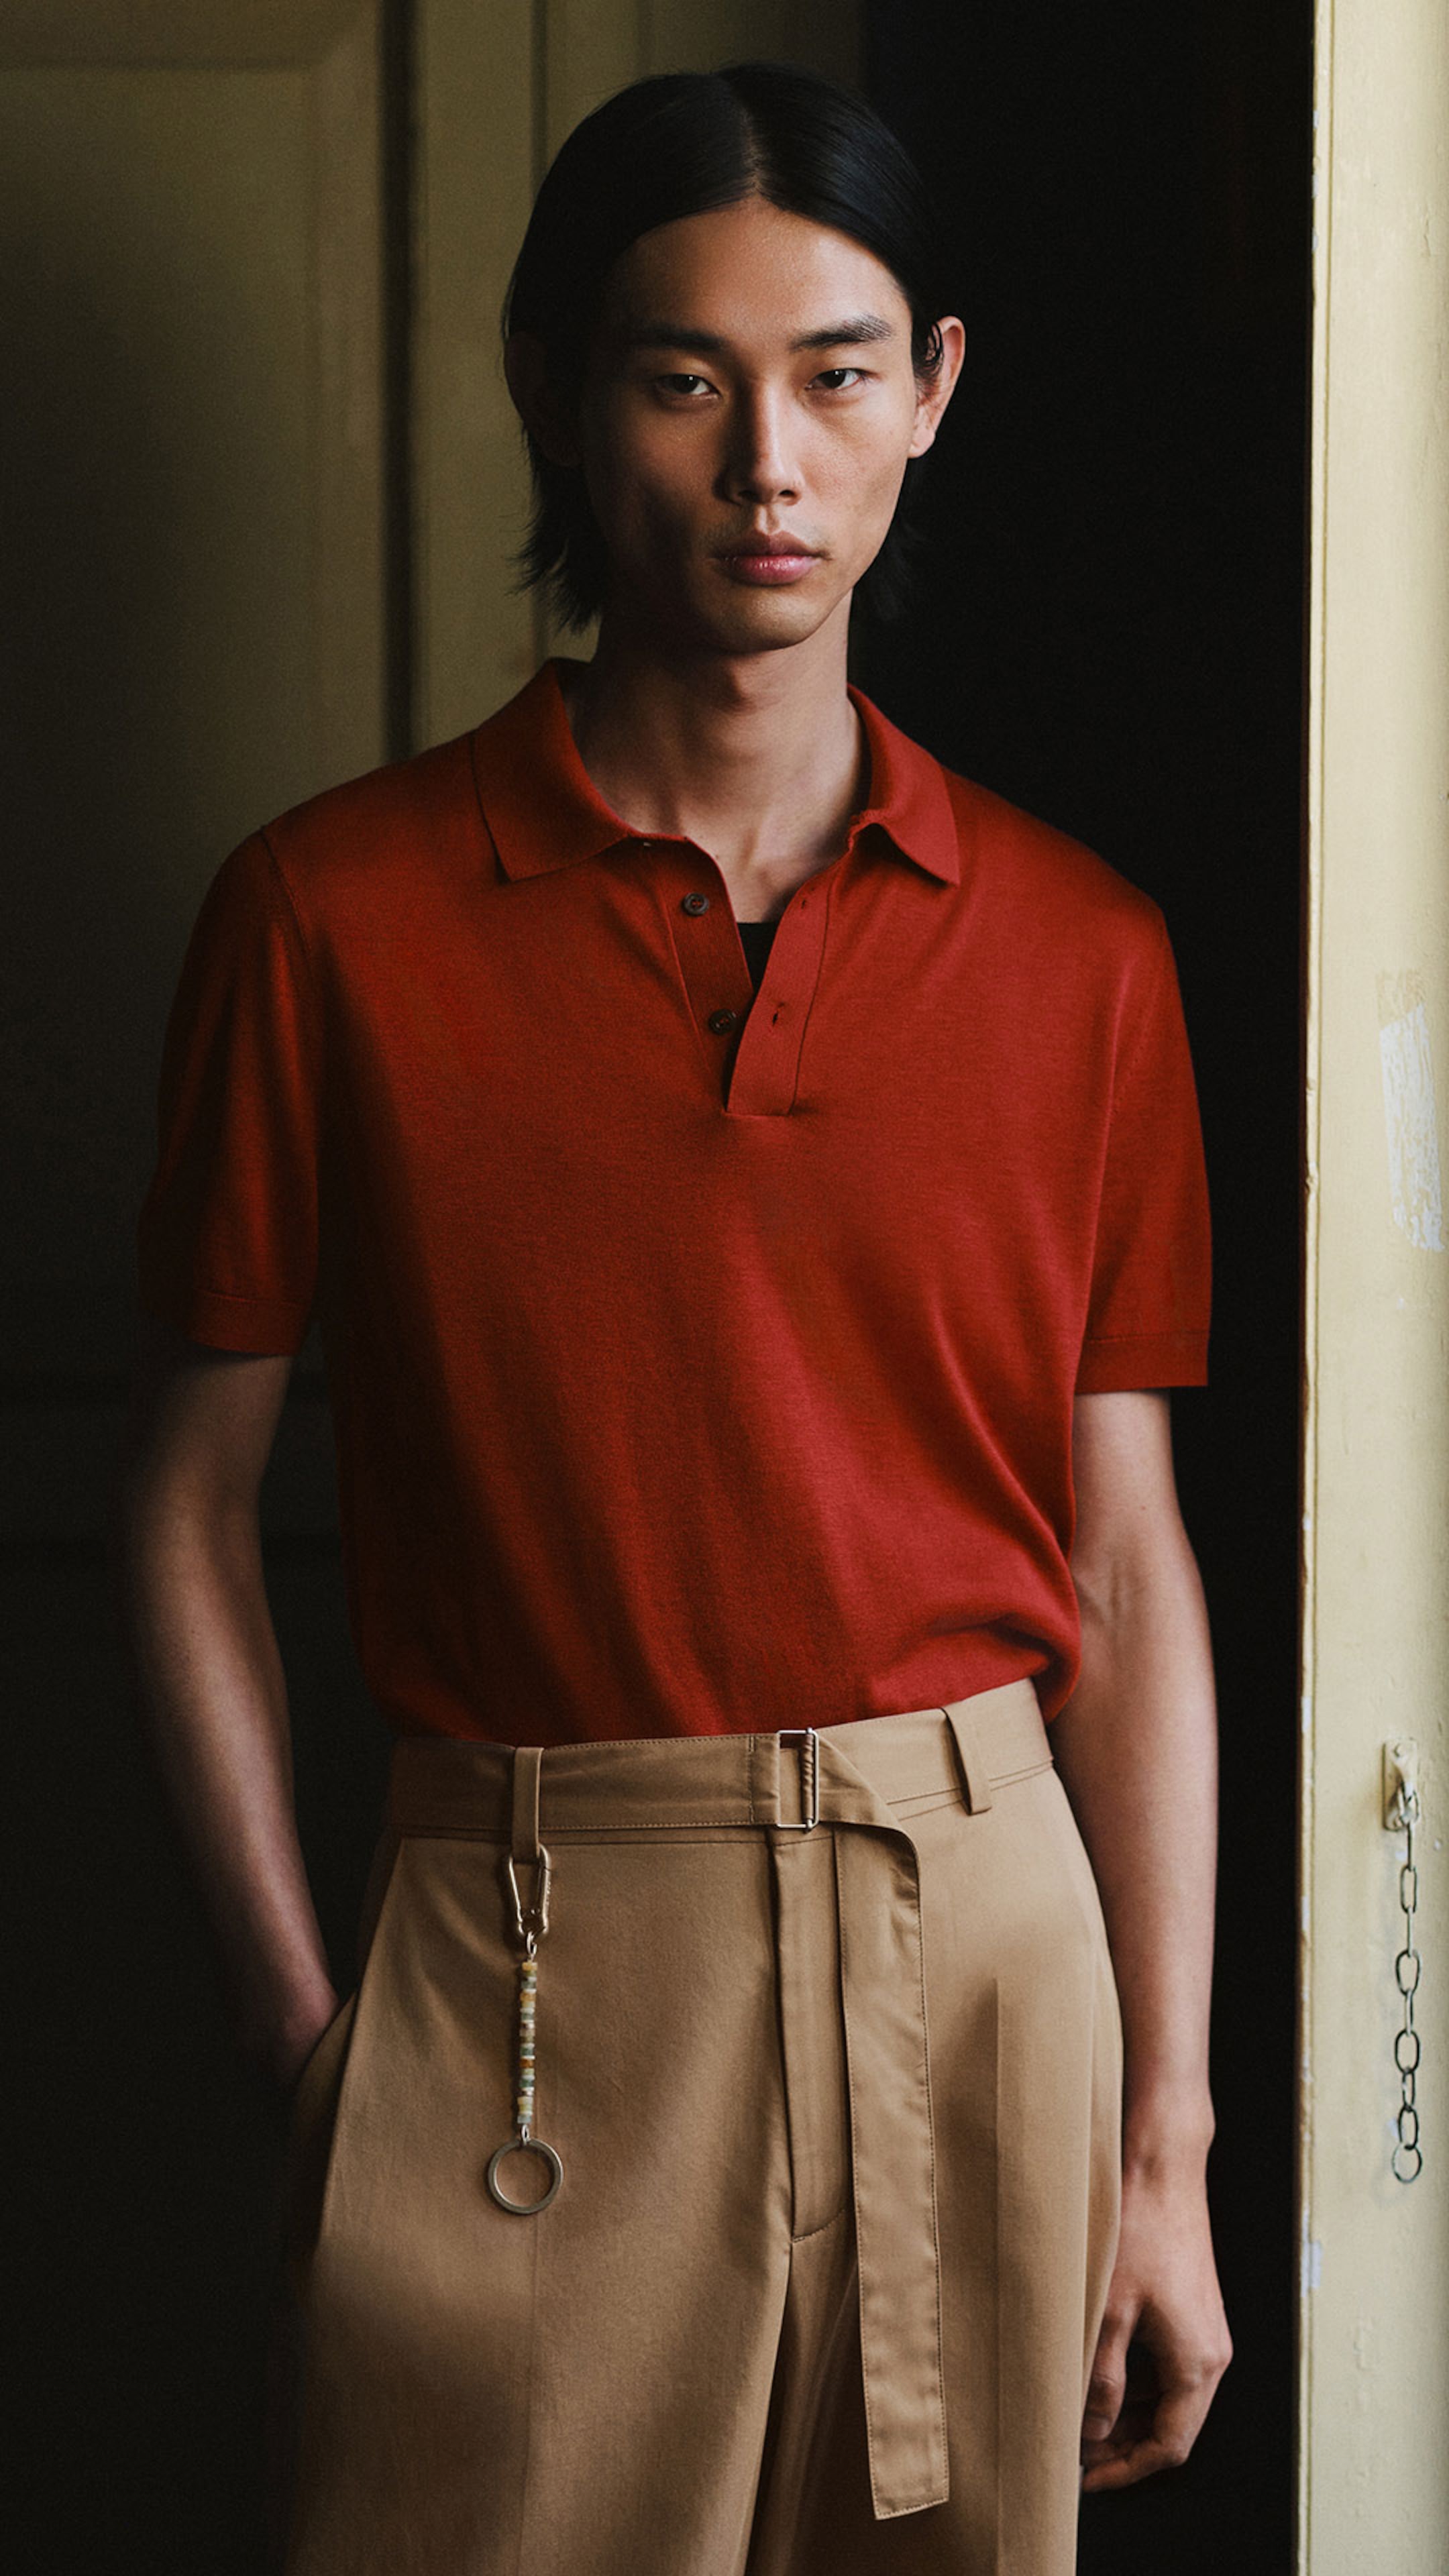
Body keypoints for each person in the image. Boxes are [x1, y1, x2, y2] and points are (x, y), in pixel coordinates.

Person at [119, 59, 1231, 2576]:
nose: (768, 467)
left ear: (933, 392)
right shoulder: (330, 920)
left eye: (837, 376)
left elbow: (1126, 1561)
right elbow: (183, 1511)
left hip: (980, 1959)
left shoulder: (1083, 953)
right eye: (682, 377)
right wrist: (312, 2048)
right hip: (521, 1968)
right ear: (554, 389)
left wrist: (1165, 2140)